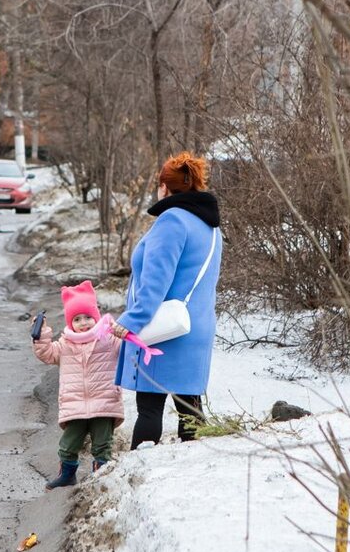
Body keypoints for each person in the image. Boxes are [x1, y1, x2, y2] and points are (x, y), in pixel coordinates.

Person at [110, 152, 222, 448]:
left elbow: (155, 282)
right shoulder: (210, 226)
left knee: (149, 407)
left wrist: (131, 321)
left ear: (164, 187)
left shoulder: (171, 221)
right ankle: (197, 468)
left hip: (165, 331)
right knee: (190, 410)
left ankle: (140, 467)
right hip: (196, 327)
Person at [32, 280, 124, 489]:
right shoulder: (64, 344)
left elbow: (126, 345)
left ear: (96, 317)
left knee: (102, 444)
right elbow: (46, 354)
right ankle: (67, 474)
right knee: (68, 444)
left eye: (88, 318)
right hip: (75, 404)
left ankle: (101, 474)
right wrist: (41, 336)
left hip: (104, 401)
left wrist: (120, 330)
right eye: (77, 319)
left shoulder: (108, 339)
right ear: (70, 322)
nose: (83, 323)